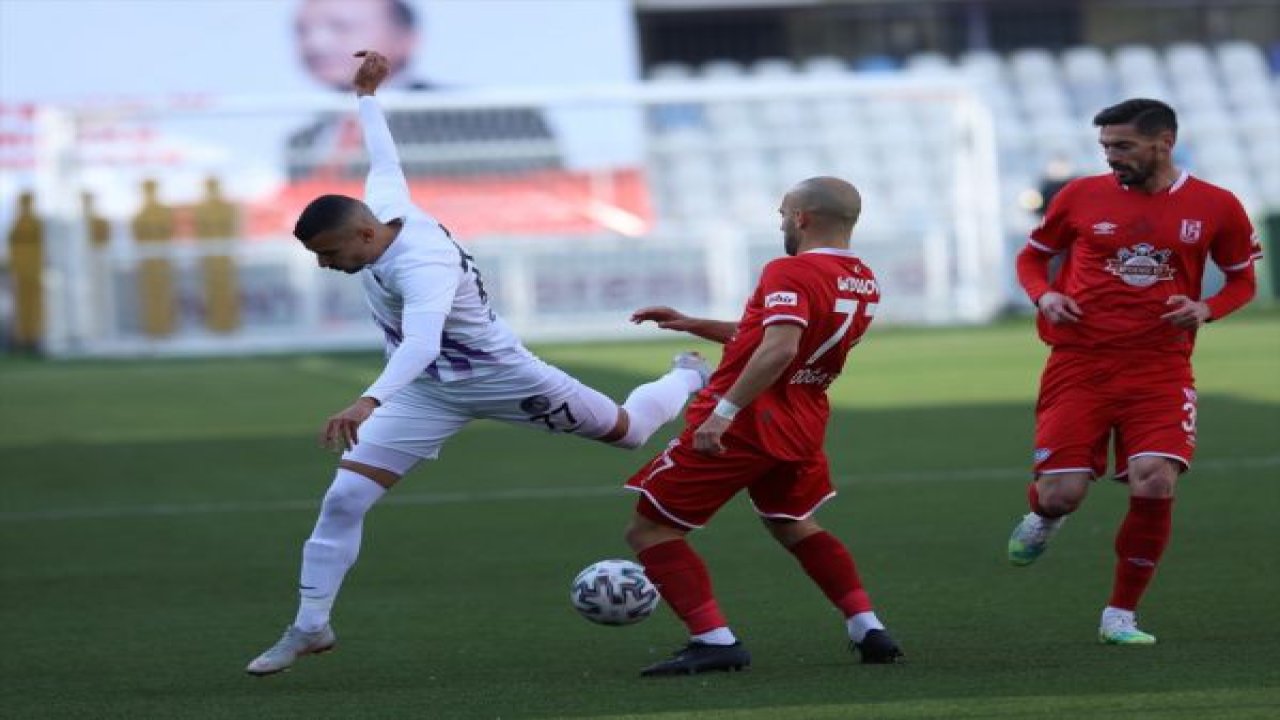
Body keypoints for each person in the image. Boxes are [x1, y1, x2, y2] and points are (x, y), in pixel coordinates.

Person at [245, 51, 708, 676]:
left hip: (504, 379)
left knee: (629, 433)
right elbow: (385, 161)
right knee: (343, 501)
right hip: (426, 395)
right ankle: (310, 625)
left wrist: (368, 399)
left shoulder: (421, 264)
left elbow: (422, 343)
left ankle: (686, 373)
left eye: (328, 253)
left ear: (360, 236)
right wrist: (365, 97)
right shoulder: (380, 210)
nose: (325, 266)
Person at [621, 176, 903, 677]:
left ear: (801, 218)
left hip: (749, 420)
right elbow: (764, 334)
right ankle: (868, 626)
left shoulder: (788, 270)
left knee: (651, 528)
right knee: (792, 523)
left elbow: (779, 348)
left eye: (782, 214)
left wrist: (720, 415)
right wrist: (692, 323)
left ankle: (714, 640)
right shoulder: (863, 278)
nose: (780, 223)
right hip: (803, 420)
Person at [1007, 98, 1263, 645]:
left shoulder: (1217, 205)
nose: (1111, 158)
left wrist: (1206, 308)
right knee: (1062, 494)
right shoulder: (1079, 195)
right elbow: (1031, 258)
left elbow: (1243, 280)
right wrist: (1045, 294)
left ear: (1163, 143)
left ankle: (1119, 616)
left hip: (1161, 368)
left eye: (1122, 147)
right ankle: (1045, 516)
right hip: (1080, 363)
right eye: (1105, 147)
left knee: (1155, 481)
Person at [287, 0, 558, 180]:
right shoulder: (301, 143)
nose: (316, 44)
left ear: (407, 37)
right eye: (302, 31)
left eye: (340, 27)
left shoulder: (492, 120)